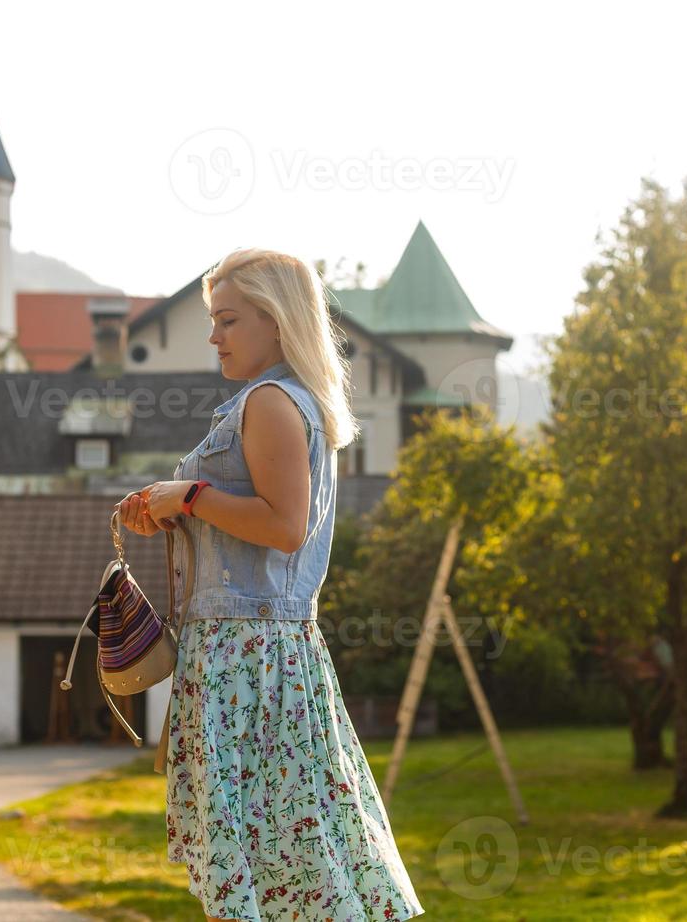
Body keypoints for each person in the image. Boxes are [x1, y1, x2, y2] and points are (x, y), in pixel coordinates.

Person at [117, 249, 426, 922]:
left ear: (277, 320)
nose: (213, 335)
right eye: (213, 319)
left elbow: (284, 527)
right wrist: (172, 512)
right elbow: (251, 531)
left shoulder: (270, 403)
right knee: (287, 857)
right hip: (253, 653)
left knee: (282, 861)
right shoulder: (279, 402)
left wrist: (191, 495)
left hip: (248, 660)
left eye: (228, 319)